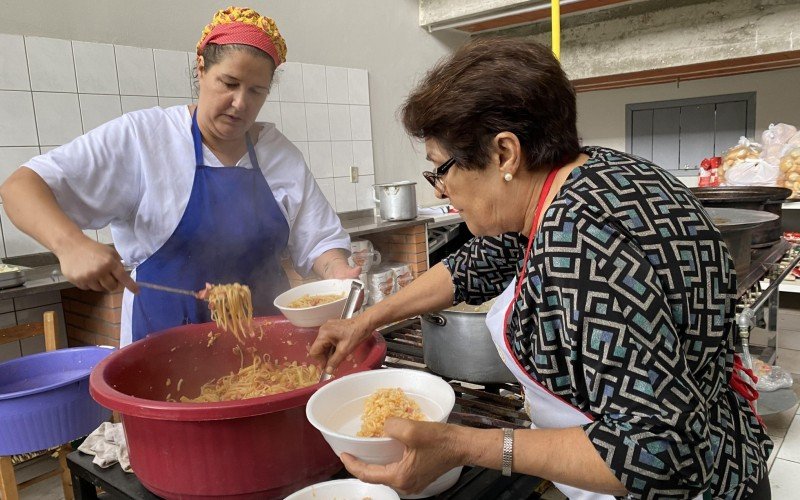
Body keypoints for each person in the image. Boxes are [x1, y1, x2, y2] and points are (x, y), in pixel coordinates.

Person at [310, 38, 772, 499]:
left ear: (505, 154)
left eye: (441, 169)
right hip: (728, 447)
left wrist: (459, 445)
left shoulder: (582, 244)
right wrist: (364, 320)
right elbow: (475, 265)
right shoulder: (593, 175)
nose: (439, 191)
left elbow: (653, 450)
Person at [0, 6, 358, 346]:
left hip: (267, 349)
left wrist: (338, 271)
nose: (240, 103)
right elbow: (21, 186)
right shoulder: (144, 139)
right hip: (164, 354)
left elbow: (319, 241)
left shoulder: (280, 155)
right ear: (201, 68)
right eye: (228, 83)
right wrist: (71, 245)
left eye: (256, 91)